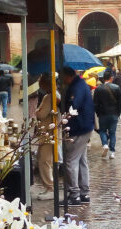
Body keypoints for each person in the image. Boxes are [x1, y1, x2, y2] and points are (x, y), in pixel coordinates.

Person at [60, 66, 94, 205]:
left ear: (67, 76)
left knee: (71, 160)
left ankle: (75, 194)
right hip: (85, 126)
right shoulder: (80, 84)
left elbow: (74, 106)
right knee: (81, 160)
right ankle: (84, 193)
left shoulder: (77, 87)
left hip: (78, 127)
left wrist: (62, 102)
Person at [32, 73, 58, 201]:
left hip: (48, 132)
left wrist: (37, 111)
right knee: (43, 159)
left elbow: (41, 114)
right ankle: (48, 187)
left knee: (44, 160)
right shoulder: (52, 95)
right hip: (49, 132)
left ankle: (50, 187)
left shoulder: (50, 97)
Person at [93, 69, 121, 158]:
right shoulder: (116, 88)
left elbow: (95, 103)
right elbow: (120, 103)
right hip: (114, 113)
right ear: (111, 78)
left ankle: (105, 145)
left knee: (102, 131)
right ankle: (112, 152)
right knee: (112, 133)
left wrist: (98, 113)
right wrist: (118, 113)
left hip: (103, 114)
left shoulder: (98, 89)